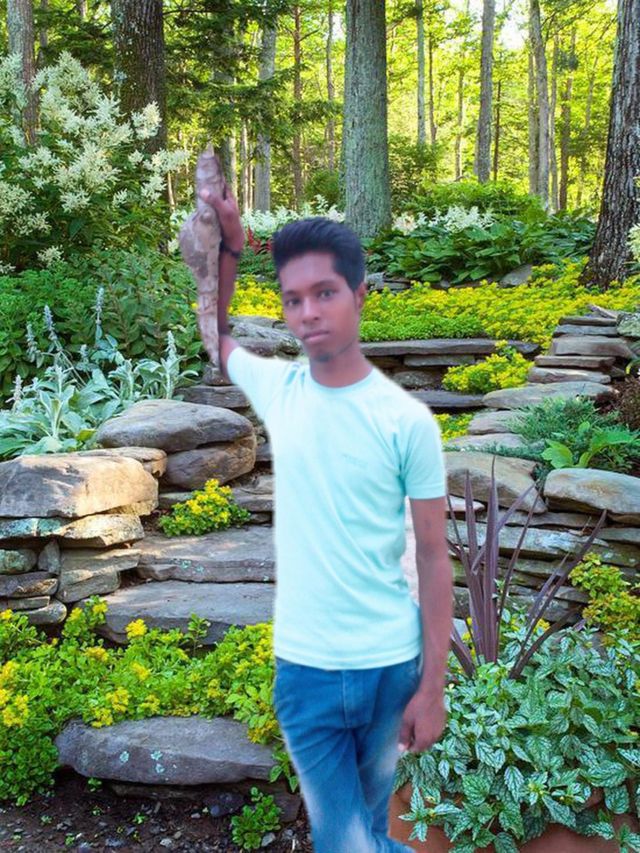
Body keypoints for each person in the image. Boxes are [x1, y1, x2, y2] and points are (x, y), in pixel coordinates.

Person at [200, 182, 453, 853]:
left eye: (325, 293)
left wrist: (432, 687)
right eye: (293, 299)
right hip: (305, 672)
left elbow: (434, 557)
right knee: (347, 840)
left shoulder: (407, 423)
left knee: (363, 832)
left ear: (360, 294)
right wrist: (230, 246)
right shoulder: (280, 391)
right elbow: (215, 334)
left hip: (390, 669)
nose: (307, 312)